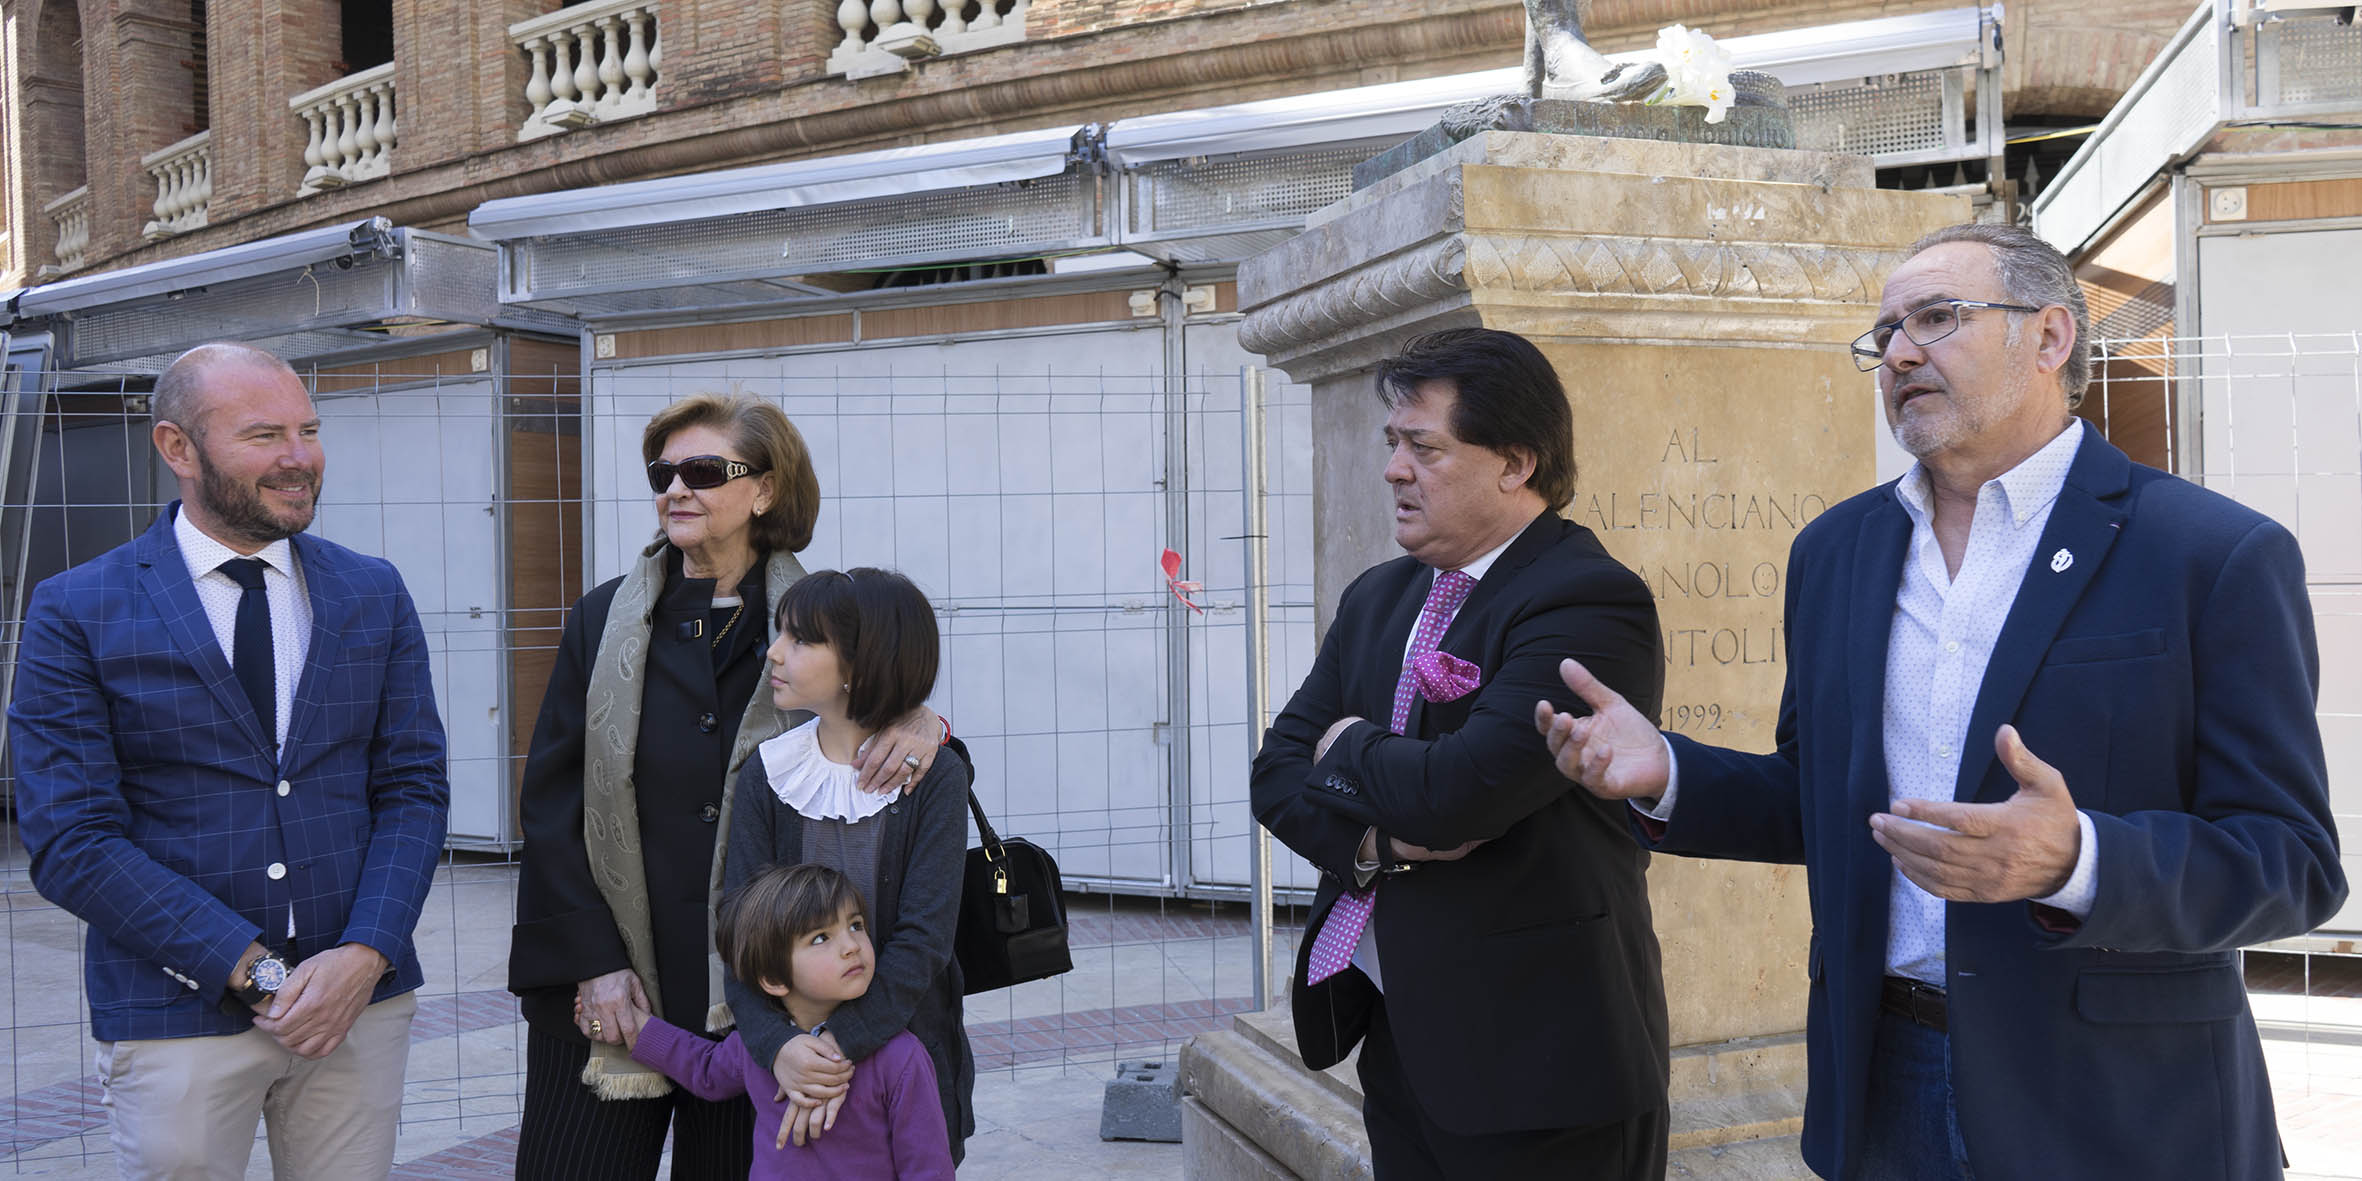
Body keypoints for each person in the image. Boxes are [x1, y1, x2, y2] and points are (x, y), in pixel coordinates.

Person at [1537, 223, 2348, 1180]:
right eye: (1884, 334)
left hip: (2119, 1100)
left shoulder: (2211, 555)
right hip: (1886, 1077)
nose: (1901, 353)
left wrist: (2079, 858)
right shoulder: (1835, 553)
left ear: (2050, 339)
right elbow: (1828, 802)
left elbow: (2290, 860)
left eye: (1938, 318)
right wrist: (1669, 770)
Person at [7, 342, 450, 1177]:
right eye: (264, 435)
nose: (298, 458)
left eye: (309, 430)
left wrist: (366, 952)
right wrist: (257, 973)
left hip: (357, 1006)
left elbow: (414, 787)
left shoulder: (372, 591)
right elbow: (72, 838)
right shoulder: (76, 609)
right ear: (178, 448)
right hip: (179, 1013)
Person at [1249, 328, 1670, 1178]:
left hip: (1545, 1065)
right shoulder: (1379, 595)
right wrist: (1378, 844)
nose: (1393, 469)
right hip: (1405, 1039)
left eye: (1423, 446)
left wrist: (1353, 744)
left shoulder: (1586, 599)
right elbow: (1276, 773)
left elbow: (1464, 794)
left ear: (1515, 462)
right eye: (1391, 443)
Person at [508, 393, 949, 1180]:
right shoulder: (603, 618)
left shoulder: (824, 625)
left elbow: (887, 736)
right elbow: (551, 804)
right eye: (663, 470)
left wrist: (926, 723)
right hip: (616, 991)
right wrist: (594, 961)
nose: (676, 487)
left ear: (766, 491)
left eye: (704, 470)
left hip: (761, 1007)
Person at [724, 568, 975, 1162]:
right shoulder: (769, 771)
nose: (775, 652)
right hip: (792, 1074)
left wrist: (836, 1044)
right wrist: (779, 1046)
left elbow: (924, 941)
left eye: (801, 640)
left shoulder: (936, 780)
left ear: (861, 665)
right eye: (779, 633)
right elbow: (740, 924)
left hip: (905, 1063)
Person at [623, 862, 954, 1180]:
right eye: (821, 938)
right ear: (772, 978)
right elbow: (707, 1071)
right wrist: (635, 1029)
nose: (852, 946)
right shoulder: (761, 1045)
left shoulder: (900, 1056)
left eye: (855, 925)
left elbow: (928, 1169)